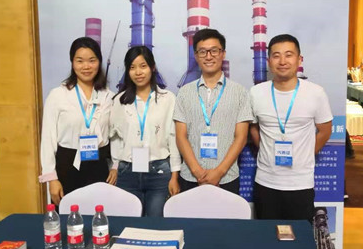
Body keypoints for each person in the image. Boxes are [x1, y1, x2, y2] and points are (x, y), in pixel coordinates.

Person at [249, 34, 333, 221]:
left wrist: (305, 154)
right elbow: (253, 127)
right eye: (276, 55)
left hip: (300, 183)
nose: (282, 61)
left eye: (288, 55)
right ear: (269, 61)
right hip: (266, 182)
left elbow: (325, 130)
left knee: (299, 236)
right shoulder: (256, 93)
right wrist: (265, 150)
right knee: (266, 235)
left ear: (299, 59)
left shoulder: (315, 93)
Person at [174, 28, 253, 194]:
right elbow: (181, 136)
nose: (208, 56)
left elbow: (241, 137)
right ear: (196, 56)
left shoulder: (240, 92)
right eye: (202, 52)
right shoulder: (185, 92)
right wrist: (197, 172)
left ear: (223, 54)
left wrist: (219, 172)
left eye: (214, 51)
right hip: (191, 177)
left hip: (226, 178)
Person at [39, 37, 115, 205]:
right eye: (80, 61)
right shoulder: (58, 95)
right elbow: (48, 139)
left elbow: (115, 135)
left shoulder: (108, 96)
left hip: (99, 165)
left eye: (92, 60)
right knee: (68, 216)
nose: (86, 66)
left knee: (99, 216)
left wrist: (115, 166)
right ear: (72, 63)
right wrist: (51, 178)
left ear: (99, 62)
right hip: (67, 165)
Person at [109, 46, 181, 217]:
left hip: (159, 171)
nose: (138, 72)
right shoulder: (120, 100)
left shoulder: (167, 99)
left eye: (143, 66)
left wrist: (175, 175)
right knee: (129, 224)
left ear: (152, 67)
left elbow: (173, 138)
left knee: (155, 225)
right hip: (127, 172)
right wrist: (115, 166)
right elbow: (116, 138)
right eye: (132, 67)